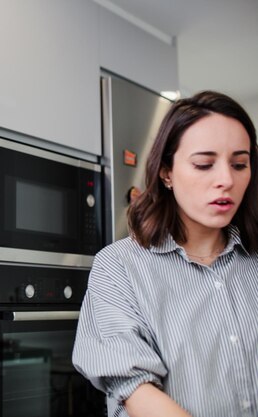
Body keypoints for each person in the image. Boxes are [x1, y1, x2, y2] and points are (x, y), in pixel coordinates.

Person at [72, 90, 258, 416]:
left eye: (239, 164)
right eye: (204, 164)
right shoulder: (119, 267)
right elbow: (134, 387)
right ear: (166, 172)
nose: (226, 180)